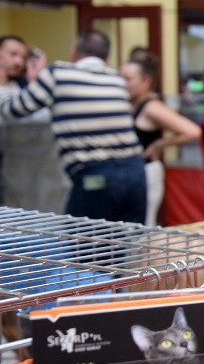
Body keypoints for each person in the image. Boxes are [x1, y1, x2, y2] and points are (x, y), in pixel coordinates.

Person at [0, 29, 147, 224]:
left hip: (96, 178)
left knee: (83, 246)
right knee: (127, 248)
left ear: (73, 53)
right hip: (135, 173)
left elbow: (12, 110)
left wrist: (34, 80)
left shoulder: (58, 73)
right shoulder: (116, 80)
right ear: (107, 58)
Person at [120, 54, 201, 226]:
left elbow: (194, 131)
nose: (122, 83)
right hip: (130, 175)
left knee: (143, 229)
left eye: (128, 79)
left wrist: (160, 144)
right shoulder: (130, 103)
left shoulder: (152, 107)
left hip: (147, 173)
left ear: (146, 81)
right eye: (120, 78)